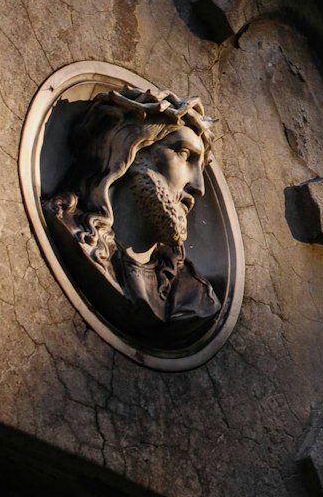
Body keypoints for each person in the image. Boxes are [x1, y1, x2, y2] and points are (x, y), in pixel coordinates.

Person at [44, 86, 222, 341]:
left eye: (200, 167)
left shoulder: (194, 297)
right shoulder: (67, 226)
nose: (199, 187)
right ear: (129, 152)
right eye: (184, 154)